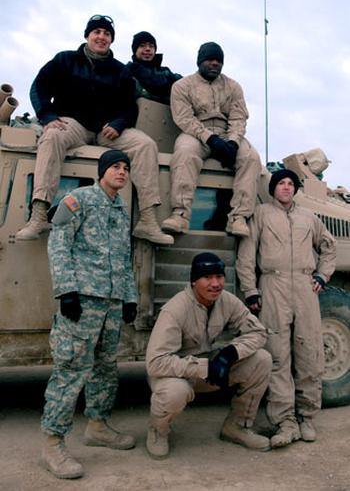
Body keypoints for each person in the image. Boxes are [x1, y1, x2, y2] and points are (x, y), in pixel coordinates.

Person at [16, 15, 173, 246]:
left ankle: (147, 221)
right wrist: (47, 115)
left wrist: (119, 123)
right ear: (87, 35)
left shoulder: (120, 71)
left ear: (111, 40)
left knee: (145, 144)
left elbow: (129, 106)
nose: (102, 37)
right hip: (73, 125)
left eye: (107, 34)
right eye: (97, 32)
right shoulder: (65, 60)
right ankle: (39, 214)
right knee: (52, 137)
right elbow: (38, 86)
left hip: (107, 131)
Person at [40, 150, 138, 479]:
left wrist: (129, 298)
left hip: (110, 304)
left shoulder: (121, 210)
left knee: (105, 369)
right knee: (71, 370)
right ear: (101, 171)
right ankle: (53, 443)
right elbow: (58, 243)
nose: (121, 172)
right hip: (82, 302)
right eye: (115, 166)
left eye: (126, 168)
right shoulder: (78, 199)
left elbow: (125, 259)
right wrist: (66, 291)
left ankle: (97, 426)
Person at [236, 169, 336, 448]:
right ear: (273, 188)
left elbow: (328, 247)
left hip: (305, 287)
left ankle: (306, 417)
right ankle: (285, 421)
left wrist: (322, 275)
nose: (287, 187)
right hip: (273, 284)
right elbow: (246, 255)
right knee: (277, 353)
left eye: (291, 184)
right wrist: (251, 290)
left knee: (309, 352)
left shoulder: (309, 218)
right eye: (282, 183)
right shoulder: (260, 214)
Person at [145, 252, 272, 459]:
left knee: (262, 360)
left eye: (220, 277)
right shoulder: (175, 309)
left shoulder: (227, 301)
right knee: (174, 392)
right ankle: (158, 431)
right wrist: (204, 367)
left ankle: (236, 426)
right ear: (194, 280)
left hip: (211, 370)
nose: (216, 284)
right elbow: (155, 363)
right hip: (176, 374)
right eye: (208, 277)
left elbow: (259, 332)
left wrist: (229, 355)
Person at [161, 42, 261, 238]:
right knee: (185, 153)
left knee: (251, 158)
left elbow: (238, 117)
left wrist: (232, 141)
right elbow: (184, 118)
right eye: (210, 59)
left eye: (218, 60)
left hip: (227, 132)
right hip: (196, 133)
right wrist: (210, 139)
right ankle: (180, 214)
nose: (214, 63)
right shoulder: (182, 86)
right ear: (200, 61)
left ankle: (238, 217)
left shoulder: (233, 87)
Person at [126, 30, 182, 104]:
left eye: (151, 46)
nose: (148, 49)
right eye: (142, 45)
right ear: (135, 50)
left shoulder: (167, 73)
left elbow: (185, 84)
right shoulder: (127, 73)